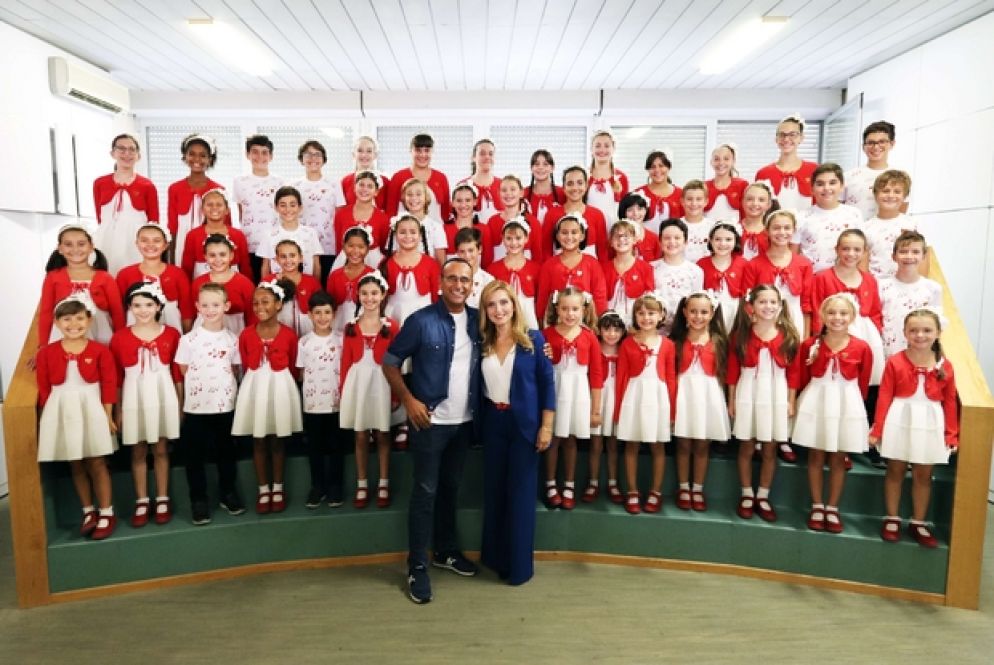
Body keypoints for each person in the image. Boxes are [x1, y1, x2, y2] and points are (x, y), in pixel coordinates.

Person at [383, 258, 482, 605]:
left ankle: (446, 551)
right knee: (425, 492)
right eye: (452, 278)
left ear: (472, 284)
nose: (458, 285)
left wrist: (542, 345)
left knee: (450, 488)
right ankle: (417, 566)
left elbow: (512, 337)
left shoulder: (478, 320)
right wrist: (409, 401)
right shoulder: (421, 320)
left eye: (465, 279)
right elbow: (390, 362)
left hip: (464, 423)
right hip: (430, 424)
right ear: (440, 282)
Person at [478, 280, 555, 585]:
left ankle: (520, 567)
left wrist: (546, 426)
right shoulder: (481, 341)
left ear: (514, 305)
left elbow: (548, 384)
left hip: (525, 425)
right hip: (493, 423)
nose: (498, 310)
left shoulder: (534, 339)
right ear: (485, 310)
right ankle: (496, 558)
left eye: (504, 303)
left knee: (521, 496)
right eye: (492, 304)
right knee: (495, 493)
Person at [870, 309, 958, 548]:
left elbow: (950, 401)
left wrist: (951, 433)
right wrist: (878, 428)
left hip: (930, 421)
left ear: (938, 333)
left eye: (927, 330)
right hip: (900, 417)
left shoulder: (946, 366)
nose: (920, 335)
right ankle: (892, 517)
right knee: (895, 470)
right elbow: (884, 396)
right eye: (914, 330)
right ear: (905, 333)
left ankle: (918, 521)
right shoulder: (895, 361)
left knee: (923, 474)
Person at [36, 296, 118, 540]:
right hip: (62, 409)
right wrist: (47, 420)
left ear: (89, 320)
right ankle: (88, 511)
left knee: (97, 461)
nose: (74, 324)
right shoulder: (46, 353)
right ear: (57, 323)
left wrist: (108, 416)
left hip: (91, 407)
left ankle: (107, 511)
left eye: (80, 318)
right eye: (67, 319)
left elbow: (109, 385)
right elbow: (44, 389)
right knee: (76, 462)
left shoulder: (100, 351)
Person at [793, 294, 872, 533]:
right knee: (816, 455)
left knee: (838, 457)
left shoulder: (862, 347)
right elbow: (801, 376)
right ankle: (817, 505)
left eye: (843, 313)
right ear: (822, 316)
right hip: (817, 400)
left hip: (846, 402)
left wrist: (855, 407)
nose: (837, 318)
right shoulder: (810, 345)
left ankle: (832, 507)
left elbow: (864, 382)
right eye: (831, 313)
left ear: (852, 316)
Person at [727, 284, 801, 523]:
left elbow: (794, 373)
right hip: (748, 390)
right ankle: (747, 493)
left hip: (776, 393)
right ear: (751, 306)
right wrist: (732, 400)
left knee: (770, 448)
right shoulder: (740, 336)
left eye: (772, 302)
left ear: (779, 306)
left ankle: (763, 495)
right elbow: (732, 371)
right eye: (762, 302)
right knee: (747, 446)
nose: (768, 306)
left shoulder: (789, 336)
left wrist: (790, 401)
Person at [110, 282, 182, 527]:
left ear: (159, 306)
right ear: (130, 307)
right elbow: (117, 378)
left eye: (149, 304)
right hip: (134, 396)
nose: (143, 310)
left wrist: (180, 403)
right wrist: (118, 410)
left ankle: (162, 498)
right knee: (138, 450)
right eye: (137, 305)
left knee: (160, 448)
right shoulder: (119, 337)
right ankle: (142, 500)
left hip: (163, 394)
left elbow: (177, 374)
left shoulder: (171, 334)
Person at [176, 282, 246, 525]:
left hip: (224, 405)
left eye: (215, 305)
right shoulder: (188, 340)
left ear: (226, 306)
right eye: (205, 305)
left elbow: (235, 369)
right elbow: (183, 370)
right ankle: (198, 500)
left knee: (226, 451)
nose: (210, 309)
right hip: (197, 407)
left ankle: (228, 493)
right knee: (194, 456)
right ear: (197, 307)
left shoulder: (233, 339)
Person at [231, 281, 303, 514]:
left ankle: (278, 487)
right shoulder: (246, 334)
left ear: (278, 304)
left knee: (278, 439)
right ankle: (263, 489)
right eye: (255, 303)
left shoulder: (289, 335)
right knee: (259, 439)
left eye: (265, 302)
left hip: (280, 386)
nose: (259, 307)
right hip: (255, 386)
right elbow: (244, 361)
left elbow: (294, 365)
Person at [541, 286, 603, 510]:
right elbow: (539, 367)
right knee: (553, 439)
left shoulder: (589, 337)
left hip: (578, 393)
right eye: (565, 308)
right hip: (555, 390)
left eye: (575, 309)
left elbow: (596, 375)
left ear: (583, 310)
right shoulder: (546, 334)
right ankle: (550, 484)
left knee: (570, 439)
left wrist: (595, 410)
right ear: (557, 309)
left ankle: (569, 484)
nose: (570, 314)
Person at [340, 272, 397, 509]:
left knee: (382, 433)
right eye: (364, 293)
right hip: (358, 383)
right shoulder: (351, 326)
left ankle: (384, 481)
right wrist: (343, 390)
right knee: (361, 434)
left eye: (374, 293)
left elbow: (396, 362)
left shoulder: (391, 326)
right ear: (358, 295)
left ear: (383, 295)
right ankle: (362, 482)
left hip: (382, 382)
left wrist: (396, 393)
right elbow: (345, 361)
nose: (369, 298)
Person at [615, 293, 675, 514]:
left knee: (658, 445)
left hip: (657, 398)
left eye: (651, 313)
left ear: (660, 316)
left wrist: (672, 411)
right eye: (641, 313)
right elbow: (621, 377)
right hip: (634, 396)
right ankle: (632, 490)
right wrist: (618, 410)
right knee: (631, 444)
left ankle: (655, 491)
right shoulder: (627, 344)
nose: (646, 318)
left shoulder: (667, 345)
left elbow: (671, 378)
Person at [670, 292, 730, 512]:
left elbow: (725, 374)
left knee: (703, 444)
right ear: (685, 312)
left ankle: (697, 488)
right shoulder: (675, 341)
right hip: (683, 394)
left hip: (708, 395)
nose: (698, 316)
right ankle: (683, 487)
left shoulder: (719, 341)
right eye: (693, 311)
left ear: (712, 313)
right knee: (683, 443)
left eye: (704, 312)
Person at [809, 229, 885, 386]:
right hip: (834, 335)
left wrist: (875, 337)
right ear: (837, 250)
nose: (851, 254)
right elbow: (817, 311)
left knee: (863, 379)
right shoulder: (822, 277)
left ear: (864, 252)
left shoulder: (870, 280)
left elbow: (875, 312)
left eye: (857, 249)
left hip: (867, 336)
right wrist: (819, 339)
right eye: (845, 249)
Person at [297, 290, 347, 509]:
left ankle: (336, 487)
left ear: (334, 314)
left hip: (337, 402)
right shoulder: (304, 342)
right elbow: (301, 372)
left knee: (336, 445)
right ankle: (317, 486)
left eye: (327, 312)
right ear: (310, 314)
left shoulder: (342, 339)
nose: (322, 317)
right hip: (313, 403)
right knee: (315, 447)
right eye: (318, 313)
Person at [38, 225, 124, 348]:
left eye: (81, 244)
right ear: (60, 248)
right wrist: (42, 345)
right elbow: (46, 313)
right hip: (64, 334)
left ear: (91, 246)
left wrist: (120, 342)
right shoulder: (52, 277)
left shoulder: (105, 278)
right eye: (68, 244)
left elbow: (117, 313)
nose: (75, 249)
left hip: (100, 333)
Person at [92, 133, 160, 273]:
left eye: (132, 149)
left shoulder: (147, 185)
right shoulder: (100, 183)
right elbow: (100, 217)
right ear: (113, 153)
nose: (127, 153)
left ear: (138, 155)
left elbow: (153, 221)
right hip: (107, 239)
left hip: (134, 242)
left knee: (133, 276)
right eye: (121, 149)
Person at [742, 210, 813, 339]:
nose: (782, 232)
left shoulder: (804, 264)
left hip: (794, 321)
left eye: (787, 228)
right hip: (764, 324)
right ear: (767, 231)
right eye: (776, 228)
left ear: (793, 231)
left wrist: (806, 338)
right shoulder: (754, 264)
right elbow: (748, 303)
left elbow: (806, 305)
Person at [117, 223, 195, 333]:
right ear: (137, 243)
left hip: (172, 327)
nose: (150, 245)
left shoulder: (177, 274)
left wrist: (187, 335)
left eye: (156, 240)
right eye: (144, 240)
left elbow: (186, 310)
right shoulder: (125, 274)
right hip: (135, 330)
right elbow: (120, 310)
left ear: (165, 245)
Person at [878, 231, 942, 358]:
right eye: (903, 251)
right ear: (893, 256)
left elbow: (935, 325)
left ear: (924, 256)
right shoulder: (880, 286)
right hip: (886, 354)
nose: (909, 256)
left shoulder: (933, 289)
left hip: (918, 356)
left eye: (915, 252)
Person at [585, 310, 626, 504]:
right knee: (596, 444)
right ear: (599, 330)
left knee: (613, 444)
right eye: (607, 329)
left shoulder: (624, 350)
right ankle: (593, 482)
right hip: (597, 399)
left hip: (616, 399)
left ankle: (613, 483)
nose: (612, 334)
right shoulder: (594, 348)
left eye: (616, 330)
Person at [536, 214, 609, 322]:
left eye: (574, 232)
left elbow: (600, 297)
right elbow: (543, 298)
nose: (569, 237)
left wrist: (599, 321)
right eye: (564, 232)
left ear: (582, 236)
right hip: (557, 322)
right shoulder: (549, 265)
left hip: (585, 322)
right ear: (557, 236)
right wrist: (542, 320)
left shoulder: (592, 263)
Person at [793, 163, 863, 273]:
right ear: (812, 189)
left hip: (845, 278)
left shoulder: (854, 214)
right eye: (820, 184)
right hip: (812, 278)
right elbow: (793, 256)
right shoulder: (801, 217)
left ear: (842, 186)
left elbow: (863, 251)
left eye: (832, 183)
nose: (826, 188)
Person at [168, 133, 225, 267]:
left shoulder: (218, 189)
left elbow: (225, 225)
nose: (197, 159)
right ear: (185, 157)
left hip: (211, 245)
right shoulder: (175, 188)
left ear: (210, 159)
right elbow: (173, 227)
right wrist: (171, 258)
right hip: (182, 243)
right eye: (192, 154)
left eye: (203, 155)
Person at [293, 139, 345, 283]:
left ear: (324, 159)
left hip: (328, 244)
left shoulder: (334, 184)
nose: (313, 158)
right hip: (302, 244)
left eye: (317, 154)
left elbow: (340, 215)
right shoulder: (294, 185)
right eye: (308, 154)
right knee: (305, 284)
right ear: (301, 159)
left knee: (325, 284)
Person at [232, 134, 282, 279]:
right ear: (247, 154)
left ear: (271, 156)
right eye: (255, 152)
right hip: (249, 244)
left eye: (264, 152)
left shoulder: (280, 182)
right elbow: (241, 212)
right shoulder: (239, 181)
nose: (260, 156)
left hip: (274, 244)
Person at [180, 188, 253, 280]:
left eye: (219, 205)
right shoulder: (193, 235)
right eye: (209, 204)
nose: (214, 208)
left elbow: (245, 267)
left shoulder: (238, 235)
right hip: (202, 284)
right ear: (202, 209)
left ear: (227, 210)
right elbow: (187, 268)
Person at [190, 235, 256, 335]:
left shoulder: (245, 284)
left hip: (235, 333)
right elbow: (194, 313)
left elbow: (252, 317)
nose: (218, 260)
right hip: (204, 334)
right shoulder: (198, 283)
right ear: (205, 257)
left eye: (222, 254)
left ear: (231, 255)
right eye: (212, 255)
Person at [754, 115, 818, 214]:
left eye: (792, 134)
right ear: (776, 139)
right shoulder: (763, 173)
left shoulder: (814, 170)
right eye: (782, 134)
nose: (786, 139)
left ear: (801, 138)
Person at [650, 219, 704, 335]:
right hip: (655, 331)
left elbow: (696, 302)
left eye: (677, 238)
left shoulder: (695, 271)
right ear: (660, 242)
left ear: (685, 242)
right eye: (667, 238)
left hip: (684, 331)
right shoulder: (651, 268)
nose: (672, 242)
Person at [487, 217, 541, 330]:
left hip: (529, 324)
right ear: (502, 239)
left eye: (518, 238)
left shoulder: (536, 269)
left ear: (526, 238)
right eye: (509, 238)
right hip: (503, 325)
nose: (513, 243)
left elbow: (539, 301)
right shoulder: (493, 269)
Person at [863, 170, 918, 280]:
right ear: (875, 194)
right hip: (876, 286)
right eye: (885, 191)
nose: (891, 195)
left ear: (905, 196)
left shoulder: (912, 225)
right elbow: (863, 267)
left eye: (897, 192)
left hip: (905, 285)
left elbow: (922, 260)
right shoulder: (865, 228)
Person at [258, 186, 323, 280]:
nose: (288, 209)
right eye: (283, 205)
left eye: (292, 205)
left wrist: (316, 287)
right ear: (276, 207)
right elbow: (265, 266)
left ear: (300, 207)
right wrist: (265, 286)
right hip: (278, 286)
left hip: (306, 286)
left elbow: (316, 265)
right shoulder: (268, 235)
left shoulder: (310, 233)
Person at [544, 166, 609, 259]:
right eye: (570, 183)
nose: (575, 188)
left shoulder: (597, 215)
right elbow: (546, 251)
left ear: (586, 186)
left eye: (580, 183)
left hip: (591, 267)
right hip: (559, 266)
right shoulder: (551, 214)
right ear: (564, 188)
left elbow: (603, 252)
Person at [262, 239, 321, 337]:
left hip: (307, 331)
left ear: (301, 258)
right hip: (279, 330)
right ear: (276, 259)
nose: (288, 260)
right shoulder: (268, 281)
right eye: (283, 256)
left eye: (292, 255)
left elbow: (320, 307)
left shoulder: (311, 281)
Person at [843, 121, 901, 221]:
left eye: (882, 142)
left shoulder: (900, 178)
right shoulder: (847, 177)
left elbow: (901, 214)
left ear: (892, 144)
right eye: (870, 143)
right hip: (853, 230)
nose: (876, 147)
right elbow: (838, 211)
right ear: (863, 146)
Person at [333, 170, 390, 269]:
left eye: (370, 186)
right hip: (346, 261)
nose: (365, 189)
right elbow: (339, 243)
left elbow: (383, 246)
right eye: (361, 185)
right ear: (354, 188)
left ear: (376, 192)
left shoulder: (383, 218)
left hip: (373, 263)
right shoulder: (341, 214)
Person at [387, 133, 451, 221]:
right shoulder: (398, 177)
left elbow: (446, 214)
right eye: (418, 150)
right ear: (411, 151)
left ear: (432, 152)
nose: (422, 155)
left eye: (427, 150)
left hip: (435, 229)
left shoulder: (441, 178)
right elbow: (390, 213)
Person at [602, 218, 654, 325]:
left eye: (626, 236)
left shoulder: (646, 268)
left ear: (634, 240)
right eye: (617, 236)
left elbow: (649, 299)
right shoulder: (603, 268)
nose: (621, 239)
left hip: (636, 321)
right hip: (608, 321)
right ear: (611, 242)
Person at [698, 222, 747, 334]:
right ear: (711, 241)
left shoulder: (743, 263)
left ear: (736, 241)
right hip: (710, 313)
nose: (723, 243)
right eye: (718, 239)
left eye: (728, 239)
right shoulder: (702, 264)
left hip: (737, 312)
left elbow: (747, 293)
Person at [326, 226, 375, 332]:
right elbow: (329, 304)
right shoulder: (335, 275)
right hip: (338, 324)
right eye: (351, 246)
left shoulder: (372, 275)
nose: (355, 251)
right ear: (343, 247)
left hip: (364, 325)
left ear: (367, 249)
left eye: (361, 247)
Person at [487, 175, 543, 263]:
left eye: (513, 189)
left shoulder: (533, 222)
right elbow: (488, 255)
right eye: (504, 190)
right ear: (499, 193)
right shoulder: (492, 222)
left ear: (521, 193)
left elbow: (538, 257)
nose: (508, 193)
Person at [395, 178, 448, 265]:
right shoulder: (396, 224)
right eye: (409, 194)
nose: (414, 198)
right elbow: (393, 255)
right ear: (403, 198)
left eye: (418, 194)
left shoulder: (435, 227)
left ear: (426, 197)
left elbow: (441, 262)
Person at [444, 183, 493, 267]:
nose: (463, 205)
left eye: (467, 200)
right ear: (452, 203)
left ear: (475, 202)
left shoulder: (484, 229)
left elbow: (487, 261)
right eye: (459, 201)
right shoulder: (444, 230)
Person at [636, 150, 683, 236]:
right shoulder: (639, 194)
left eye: (661, 166)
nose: (657, 170)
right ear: (647, 170)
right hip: (645, 242)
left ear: (669, 167)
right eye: (652, 167)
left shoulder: (681, 194)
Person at [587, 130, 628, 223]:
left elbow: (625, 209)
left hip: (614, 228)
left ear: (613, 149)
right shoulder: (584, 176)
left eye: (606, 146)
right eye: (598, 146)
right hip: (589, 227)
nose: (602, 150)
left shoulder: (621, 177)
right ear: (591, 149)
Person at [456, 139, 503, 220]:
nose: (487, 157)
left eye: (491, 154)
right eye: (482, 153)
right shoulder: (463, 185)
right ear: (473, 158)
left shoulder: (503, 185)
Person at [342, 135, 390, 210]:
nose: (364, 155)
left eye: (369, 151)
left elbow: (389, 211)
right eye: (360, 151)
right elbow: (341, 210)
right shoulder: (345, 182)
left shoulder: (385, 182)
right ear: (353, 154)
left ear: (375, 155)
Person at [704, 143, 748, 223]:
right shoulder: (704, 186)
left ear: (733, 161)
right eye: (716, 159)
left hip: (735, 230)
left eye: (726, 159)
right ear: (711, 162)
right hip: (708, 230)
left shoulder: (742, 185)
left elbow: (746, 215)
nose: (721, 163)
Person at [455, 227, 494, 309]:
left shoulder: (488, 280)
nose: (467, 256)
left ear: (479, 249)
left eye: (470, 250)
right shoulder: (450, 280)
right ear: (457, 253)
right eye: (462, 251)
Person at [615, 191, 661, 261]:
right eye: (630, 210)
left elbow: (658, 263)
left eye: (640, 209)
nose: (635, 214)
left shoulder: (654, 238)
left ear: (646, 210)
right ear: (623, 212)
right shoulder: (616, 237)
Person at [737, 182, 775, 260]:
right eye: (750, 199)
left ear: (768, 205)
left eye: (761, 200)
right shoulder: (733, 229)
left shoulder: (772, 233)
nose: (755, 203)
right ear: (743, 202)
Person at [524, 149, 563, 225]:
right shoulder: (523, 194)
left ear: (552, 168)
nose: (540, 167)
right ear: (531, 168)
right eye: (536, 164)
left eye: (545, 164)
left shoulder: (562, 193)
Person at [679, 180, 715, 263]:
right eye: (689, 199)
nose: (694, 203)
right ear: (682, 201)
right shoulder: (675, 227)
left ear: (706, 202)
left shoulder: (713, 227)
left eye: (698, 199)